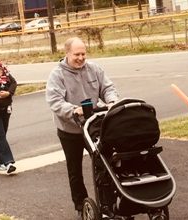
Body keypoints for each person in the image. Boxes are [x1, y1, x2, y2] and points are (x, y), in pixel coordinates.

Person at [45, 37, 118, 219]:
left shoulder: (94, 69)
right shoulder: (57, 75)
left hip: (93, 126)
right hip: (70, 130)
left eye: (83, 54)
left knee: (104, 163)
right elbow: (55, 102)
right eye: (76, 54)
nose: (80, 58)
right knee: (75, 169)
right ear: (67, 53)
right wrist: (73, 110)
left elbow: (107, 87)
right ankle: (80, 205)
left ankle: (107, 204)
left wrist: (112, 101)